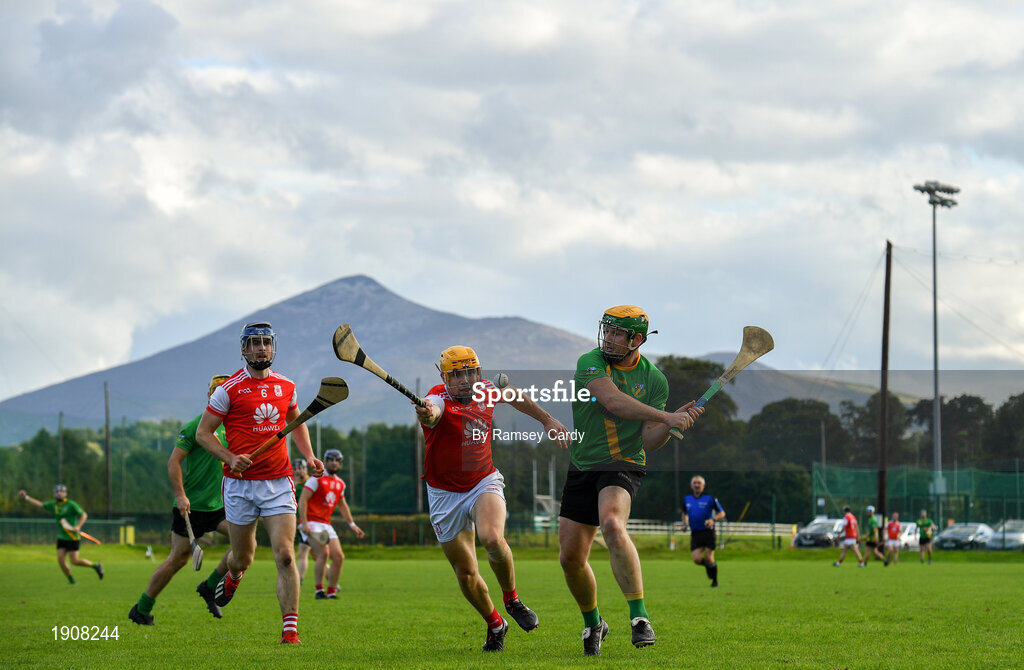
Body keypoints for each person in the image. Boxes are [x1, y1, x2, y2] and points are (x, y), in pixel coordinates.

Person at [558, 306, 702, 656]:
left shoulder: (654, 380)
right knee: (570, 559)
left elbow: (649, 441)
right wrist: (667, 415)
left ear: (636, 339)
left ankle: (639, 618)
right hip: (583, 464)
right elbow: (612, 400)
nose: (607, 338)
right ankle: (594, 624)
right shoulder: (590, 361)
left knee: (611, 523)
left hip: (623, 463)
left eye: (616, 333)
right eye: (606, 330)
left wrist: (668, 426)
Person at [414, 345, 570, 652]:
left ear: (478, 372)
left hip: (482, 481)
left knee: (493, 538)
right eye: (457, 375)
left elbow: (516, 397)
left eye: (470, 372)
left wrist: (546, 420)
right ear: (445, 378)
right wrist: (427, 412)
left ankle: (511, 599)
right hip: (443, 494)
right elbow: (432, 411)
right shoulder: (436, 398)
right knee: (467, 573)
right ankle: (496, 623)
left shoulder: (486, 390)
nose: (465, 380)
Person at [195, 322, 324, 644]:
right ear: (243, 349)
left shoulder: (287, 386)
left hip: (279, 481)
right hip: (240, 485)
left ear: (273, 347)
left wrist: (308, 456)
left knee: (285, 555)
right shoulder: (229, 390)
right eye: (254, 343)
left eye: (265, 342)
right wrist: (228, 457)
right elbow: (203, 434)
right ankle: (234, 574)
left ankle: (290, 631)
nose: (261, 348)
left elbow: (297, 424)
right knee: (243, 557)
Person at [129, 374, 235, 625]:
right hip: (190, 507)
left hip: (219, 506)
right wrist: (180, 495)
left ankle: (210, 586)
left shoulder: (235, 428)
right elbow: (173, 462)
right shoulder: (195, 426)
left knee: (244, 545)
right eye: (219, 394)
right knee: (178, 559)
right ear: (211, 397)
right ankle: (142, 609)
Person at [298, 448, 364, 599]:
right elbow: (303, 500)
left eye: (337, 460)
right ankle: (319, 591)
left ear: (340, 464)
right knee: (323, 553)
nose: (334, 463)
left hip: (326, 524)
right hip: (312, 523)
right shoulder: (316, 478)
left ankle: (332, 592)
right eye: (330, 460)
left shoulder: (340, 483)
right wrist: (305, 523)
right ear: (325, 462)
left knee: (339, 557)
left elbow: (342, 505)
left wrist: (352, 525)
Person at [18, 485, 104, 584]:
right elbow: (40, 504)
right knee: (60, 560)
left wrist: (78, 526)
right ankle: (71, 580)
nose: (59, 493)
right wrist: (26, 497)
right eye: (57, 491)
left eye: (61, 491)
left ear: (65, 493)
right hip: (62, 537)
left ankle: (96, 566)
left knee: (75, 561)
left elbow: (84, 515)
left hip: (72, 537)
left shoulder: (71, 504)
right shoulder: (53, 505)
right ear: (54, 493)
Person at [682, 475, 725, 587]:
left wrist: (713, 519)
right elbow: (685, 513)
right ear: (691, 485)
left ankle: (715, 581)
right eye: (695, 483)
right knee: (696, 559)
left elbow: (722, 513)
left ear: (703, 485)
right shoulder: (687, 499)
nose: (697, 485)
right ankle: (708, 567)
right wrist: (685, 524)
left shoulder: (710, 498)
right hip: (695, 533)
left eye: (699, 483)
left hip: (708, 532)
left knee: (709, 557)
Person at [292, 458, 314, 585]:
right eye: (295, 468)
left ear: (306, 469)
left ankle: (298, 580)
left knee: (303, 552)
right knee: (317, 555)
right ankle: (332, 579)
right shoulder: (293, 483)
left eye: (301, 468)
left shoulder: (310, 483)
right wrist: (295, 482)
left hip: (309, 521)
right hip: (301, 522)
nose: (298, 470)